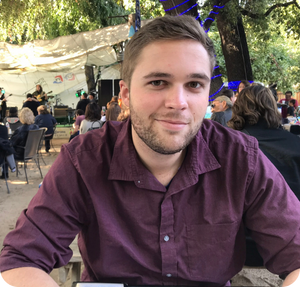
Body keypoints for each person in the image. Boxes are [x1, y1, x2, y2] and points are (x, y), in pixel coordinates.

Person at [1, 15, 300, 287]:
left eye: (194, 84)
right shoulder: (84, 160)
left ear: (208, 95)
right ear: (126, 95)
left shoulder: (240, 158)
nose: (178, 102)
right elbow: (20, 262)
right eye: (158, 82)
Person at [228, 84, 300, 268]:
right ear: (273, 107)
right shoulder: (295, 144)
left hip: (244, 250)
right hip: (292, 247)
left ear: (238, 109)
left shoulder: (229, 148)